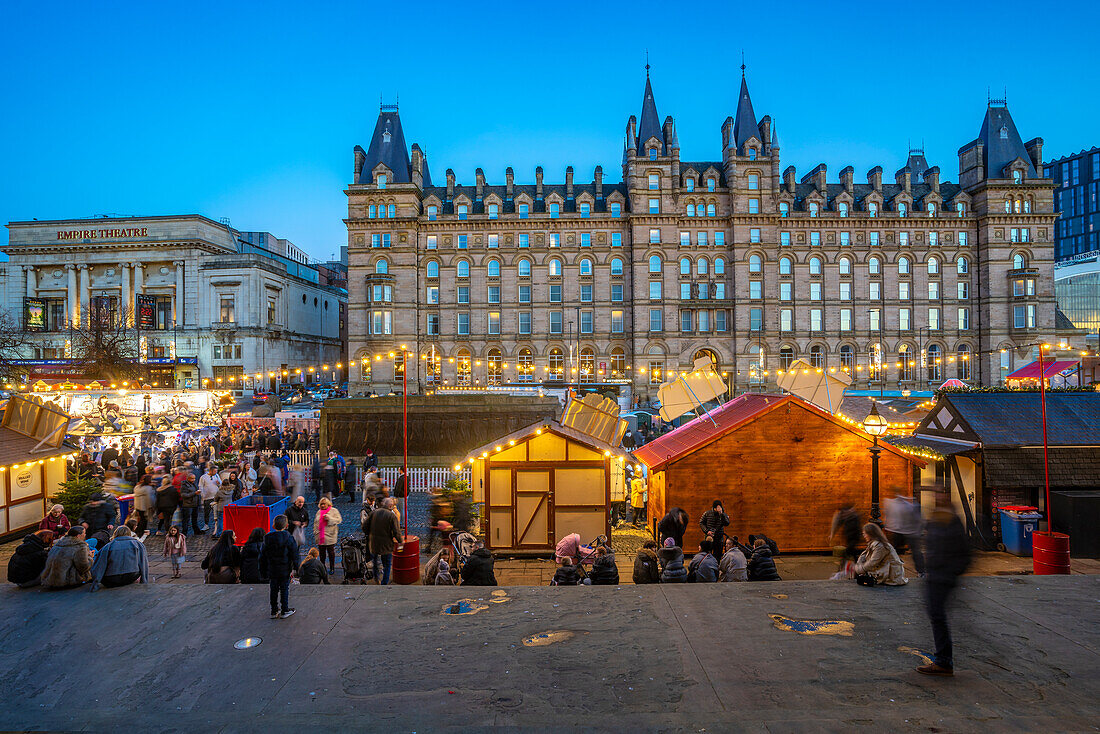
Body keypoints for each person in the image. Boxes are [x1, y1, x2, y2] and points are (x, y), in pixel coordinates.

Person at [917, 497, 971, 677]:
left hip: (942, 578)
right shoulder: (937, 524)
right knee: (936, 616)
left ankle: (944, 662)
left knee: (938, 617)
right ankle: (943, 660)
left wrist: (948, 572)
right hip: (937, 576)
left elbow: (964, 555)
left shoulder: (950, 525)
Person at [260, 515, 299, 619]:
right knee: (284, 589)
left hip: (272, 568)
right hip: (284, 568)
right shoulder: (289, 538)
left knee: (273, 589)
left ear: (273, 525)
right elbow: (294, 554)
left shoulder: (267, 539)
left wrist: (263, 570)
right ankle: (284, 610)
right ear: (286, 526)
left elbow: (262, 556)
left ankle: (274, 610)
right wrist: (296, 568)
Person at [90, 526, 149, 591]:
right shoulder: (138, 544)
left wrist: (95, 583)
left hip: (111, 578)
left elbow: (100, 566)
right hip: (132, 576)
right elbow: (143, 563)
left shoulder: (108, 546)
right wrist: (144, 580)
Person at [885, 494, 925, 576]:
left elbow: (917, 520)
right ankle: (921, 571)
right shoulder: (906, 504)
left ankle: (921, 571)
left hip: (906, 531)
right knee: (895, 549)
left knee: (894, 549)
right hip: (905, 531)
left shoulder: (907, 505)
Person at [367, 497, 403, 585]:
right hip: (386, 544)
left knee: (375, 561)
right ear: (390, 505)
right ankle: (384, 582)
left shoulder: (374, 513)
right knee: (387, 564)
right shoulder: (392, 516)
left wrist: (370, 534)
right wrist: (400, 541)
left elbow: (365, 526)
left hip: (374, 542)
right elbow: (396, 531)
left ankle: (376, 577)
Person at [313, 497, 342, 575]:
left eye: (324, 504)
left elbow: (339, 520)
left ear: (328, 504)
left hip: (330, 536)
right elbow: (315, 523)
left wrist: (330, 519)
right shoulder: (319, 512)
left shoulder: (334, 511)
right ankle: (323, 568)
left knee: (331, 553)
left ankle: (332, 567)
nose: (322, 505)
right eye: (321, 504)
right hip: (321, 536)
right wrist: (315, 532)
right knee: (322, 554)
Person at [829, 504, 862, 570]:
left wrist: (832, 534)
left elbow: (837, 524)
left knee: (848, 552)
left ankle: (842, 566)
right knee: (852, 552)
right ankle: (858, 565)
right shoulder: (851, 516)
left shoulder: (851, 516)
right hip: (850, 536)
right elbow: (837, 524)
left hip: (853, 537)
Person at [198, 464, 222, 532]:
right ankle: (206, 524)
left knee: (216, 512)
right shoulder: (203, 477)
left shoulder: (217, 476)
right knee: (207, 512)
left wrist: (218, 483)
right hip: (207, 497)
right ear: (211, 471)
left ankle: (217, 525)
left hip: (215, 497)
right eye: (214, 471)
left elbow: (220, 484)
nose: (216, 472)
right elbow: (201, 486)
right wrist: (202, 495)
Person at [178, 470, 201, 535]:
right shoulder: (184, 485)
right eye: (192, 478)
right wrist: (194, 493)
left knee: (195, 518)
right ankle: (184, 532)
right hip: (188, 505)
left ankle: (196, 531)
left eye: (194, 478)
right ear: (188, 478)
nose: (193, 480)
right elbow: (184, 495)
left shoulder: (193, 484)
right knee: (186, 520)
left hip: (195, 504)